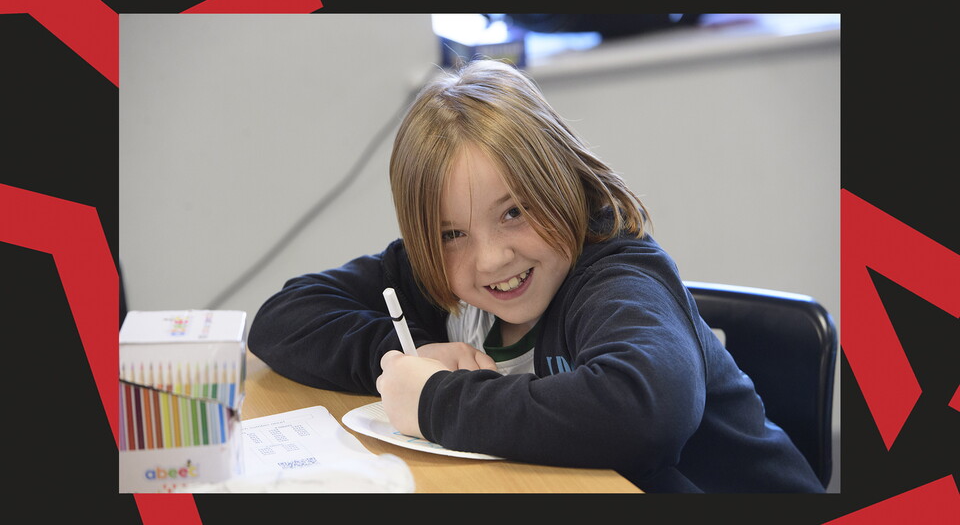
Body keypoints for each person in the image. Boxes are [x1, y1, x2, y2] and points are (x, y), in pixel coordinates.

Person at [247, 58, 824, 493]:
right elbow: (283, 320)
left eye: (514, 212)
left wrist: (434, 401)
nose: (491, 258)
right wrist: (414, 353)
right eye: (452, 233)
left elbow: (647, 412)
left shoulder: (617, 279)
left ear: (565, 185)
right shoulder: (436, 275)